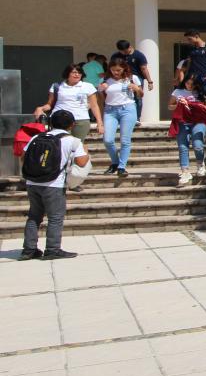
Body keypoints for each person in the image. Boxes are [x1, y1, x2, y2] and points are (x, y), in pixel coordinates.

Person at [18, 110, 90, 261]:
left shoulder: (37, 137)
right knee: (55, 217)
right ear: (72, 125)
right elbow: (82, 163)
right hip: (54, 184)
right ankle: (52, 249)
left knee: (34, 216)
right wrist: (86, 152)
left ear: (50, 123)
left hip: (32, 182)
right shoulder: (73, 141)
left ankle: (29, 250)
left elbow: (23, 158)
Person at [168, 75, 206, 186]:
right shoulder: (177, 92)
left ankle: (200, 164)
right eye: (187, 83)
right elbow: (170, 106)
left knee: (197, 144)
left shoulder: (200, 93)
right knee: (182, 146)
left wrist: (199, 106)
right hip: (182, 122)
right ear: (184, 82)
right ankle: (185, 171)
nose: (189, 86)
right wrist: (178, 104)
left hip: (198, 121)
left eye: (192, 84)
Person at [98, 55, 143, 177]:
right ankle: (115, 162)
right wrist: (101, 90)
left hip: (128, 109)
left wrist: (136, 89)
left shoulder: (132, 78)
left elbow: (141, 94)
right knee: (107, 140)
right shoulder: (105, 80)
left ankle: (122, 167)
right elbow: (102, 99)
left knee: (125, 140)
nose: (115, 72)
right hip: (110, 110)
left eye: (118, 70)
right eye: (113, 70)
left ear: (124, 68)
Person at [33, 64, 103, 141]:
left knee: (77, 145)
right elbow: (49, 104)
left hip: (80, 120)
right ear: (67, 73)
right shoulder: (57, 86)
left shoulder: (88, 86)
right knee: (59, 144)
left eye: (79, 73)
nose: (77, 75)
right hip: (59, 120)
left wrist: (99, 123)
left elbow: (94, 106)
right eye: (74, 72)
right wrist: (40, 108)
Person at [113, 40, 154, 120]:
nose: (124, 53)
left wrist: (150, 81)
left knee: (137, 98)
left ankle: (136, 118)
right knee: (121, 97)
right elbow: (112, 68)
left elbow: (144, 68)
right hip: (121, 79)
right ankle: (122, 117)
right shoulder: (116, 56)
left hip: (136, 78)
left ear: (130, 47)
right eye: (122, 51)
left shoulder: (139, 55)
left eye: (125, 51)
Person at [183, 30, 206, 116]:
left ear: (196, 36)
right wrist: (187, 76)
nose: (188, 41)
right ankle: (201, 115)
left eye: (189, 39)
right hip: (194, 78)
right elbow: (189, 63)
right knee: (196, 96)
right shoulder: (191, 49)